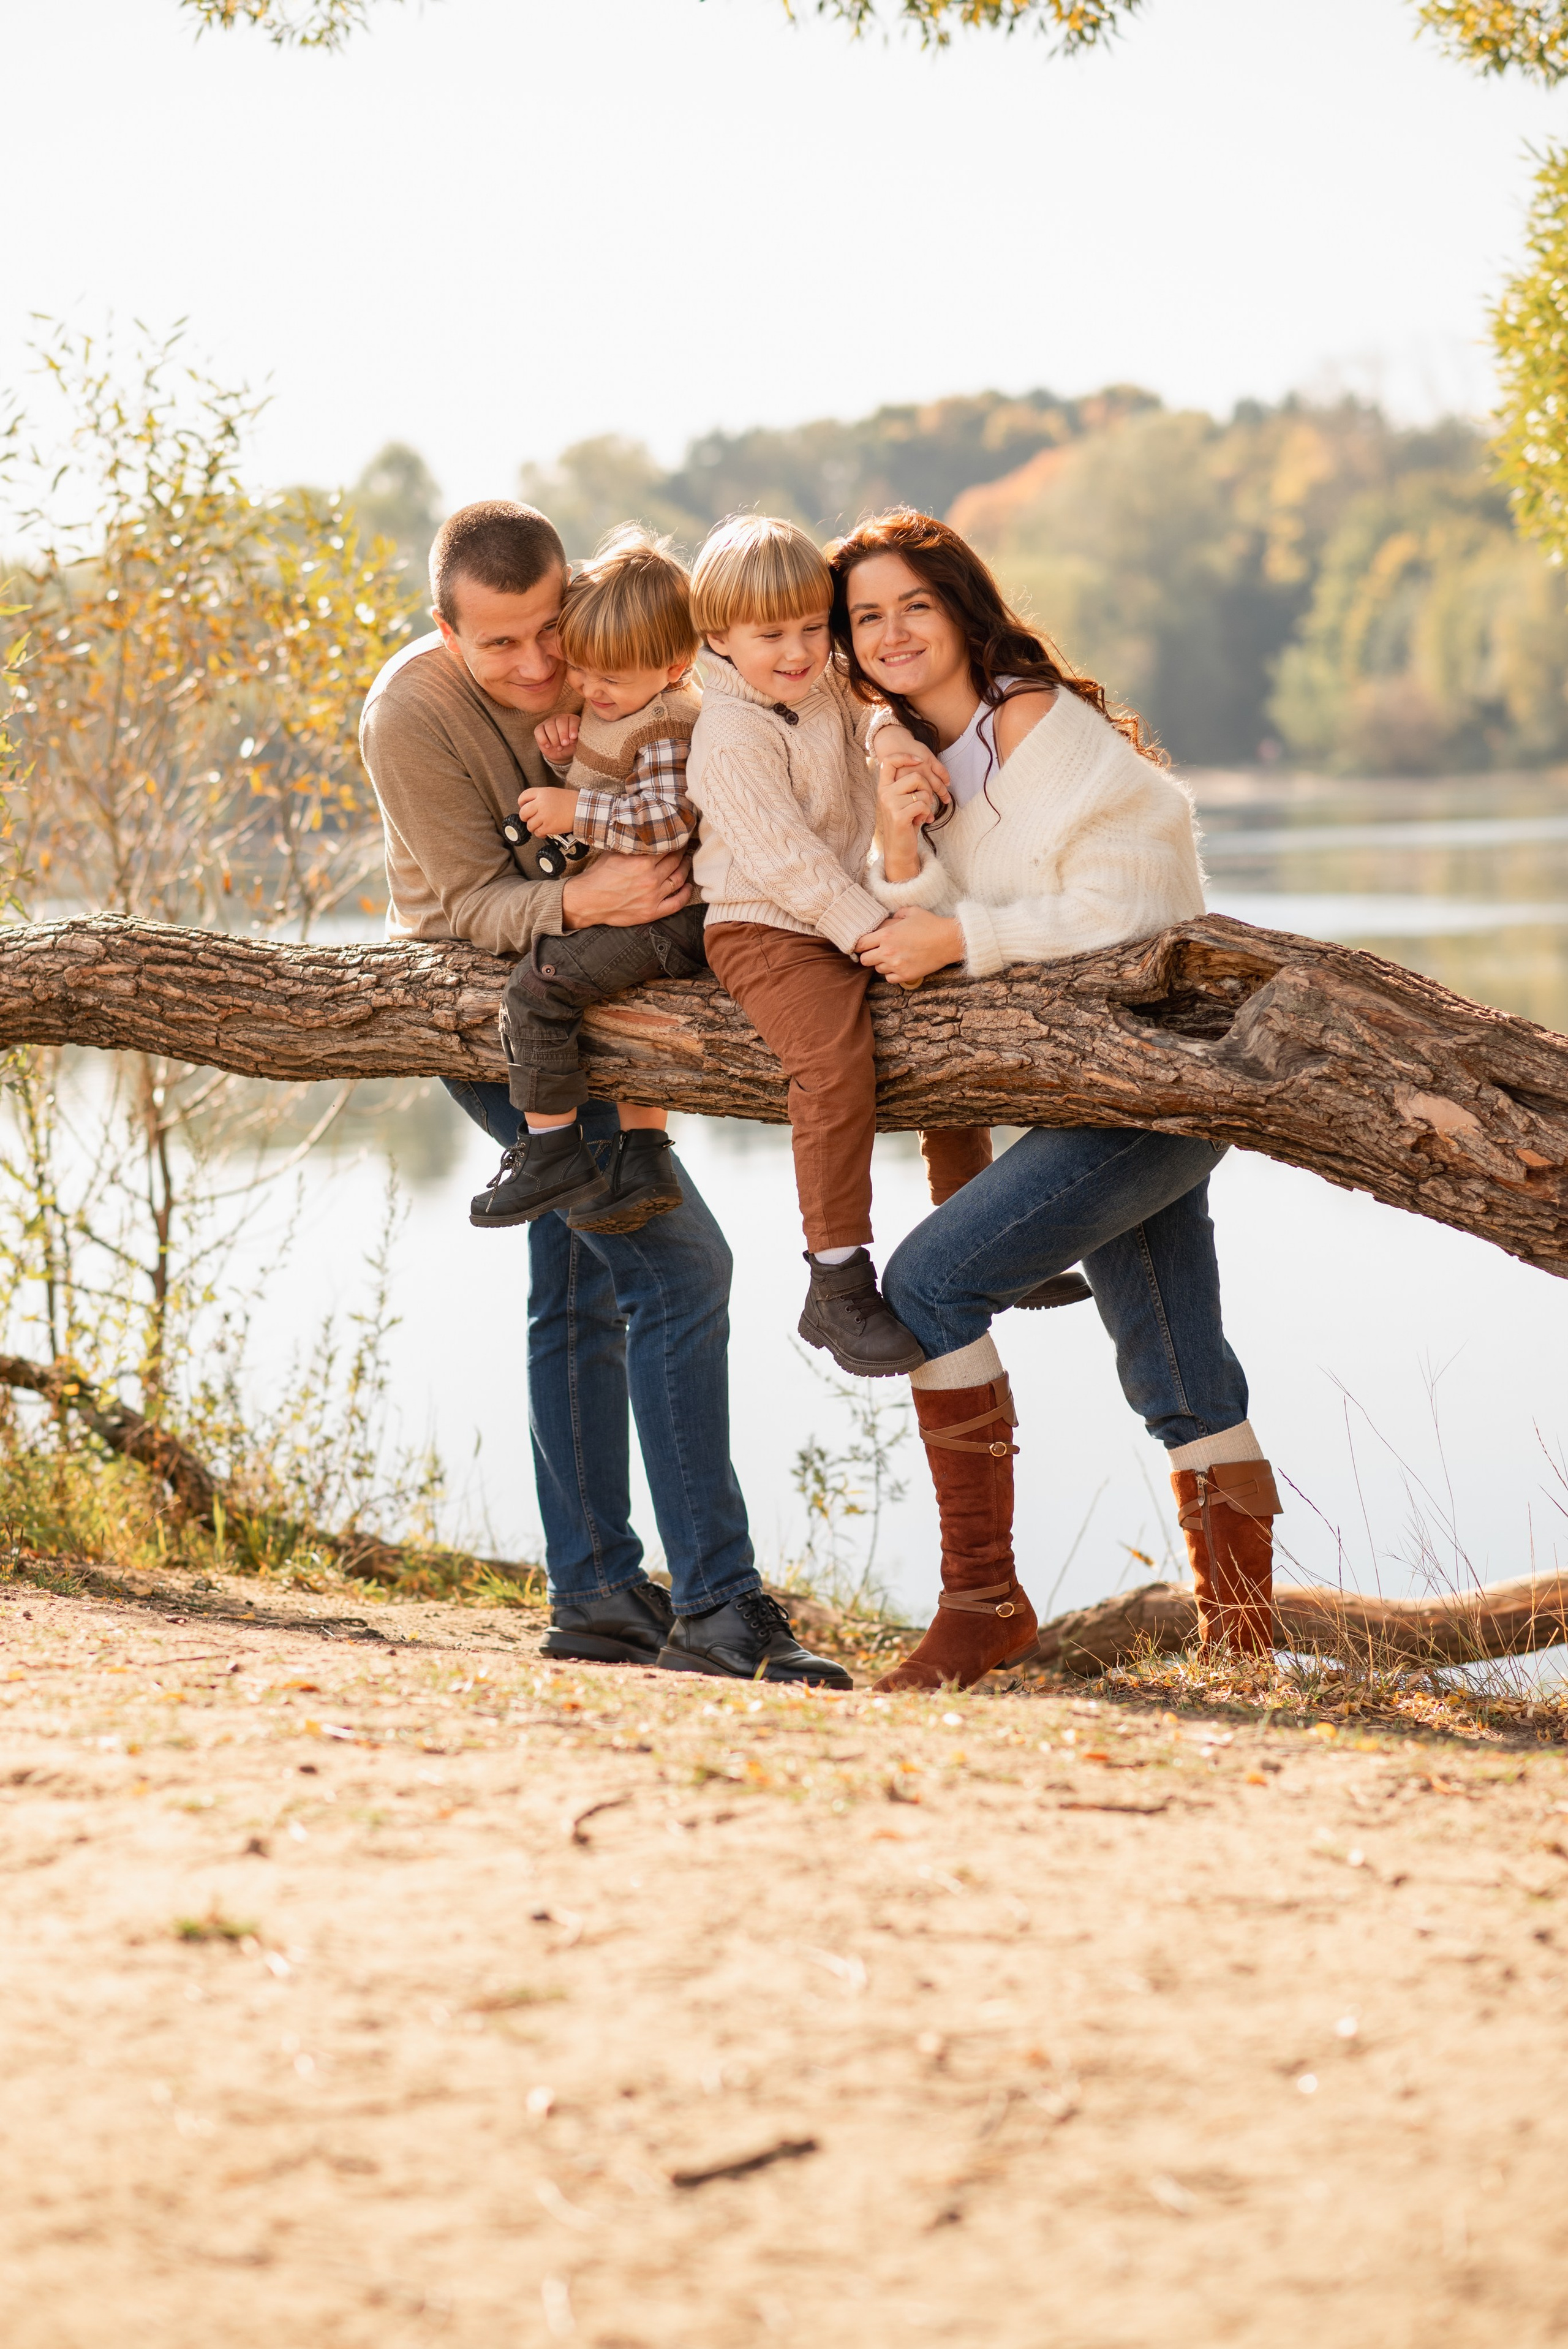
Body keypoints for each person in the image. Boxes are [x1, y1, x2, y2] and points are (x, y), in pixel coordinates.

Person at [359, 499, 848, 1687]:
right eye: (500, 647)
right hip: (492, 1021)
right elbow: (469, 907)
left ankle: (593, 1595)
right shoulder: (411, 714)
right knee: (681, 1268)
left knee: (578, 1281)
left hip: (613, 1017)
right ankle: (720, 1609)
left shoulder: (614, 663)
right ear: (445, 632)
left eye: (546, 631)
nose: (535, 667)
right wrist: (591, 900)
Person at [827, 508, 1282, 1692]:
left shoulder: (1033, 721)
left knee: (929, 1280)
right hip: (1093, 1084)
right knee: (1179, 1368)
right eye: (866, 617)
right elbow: (911, 916)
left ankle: (984, 1604)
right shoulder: (928, 748)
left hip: (1159, 1081)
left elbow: (1134, 901)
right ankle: (1242, 1654)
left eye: (913, 605)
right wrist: (895, 815)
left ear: (962, 608)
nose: (891, 631)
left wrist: (963, 935)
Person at [687, 513, 988, 1379]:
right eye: (771, 634)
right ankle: (836, 1276)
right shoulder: (730, 738)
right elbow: (787, 865)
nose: (799, 650)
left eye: (815, 628)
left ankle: (971, 1216)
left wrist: (890, 731)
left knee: (949, 1017)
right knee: (830, 1061)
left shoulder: (822, 686)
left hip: (843, 903)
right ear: (719, 637)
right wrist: (869, 929)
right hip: (763, 923)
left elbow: (864, 711)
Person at [472, 526, 707, 1238]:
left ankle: (551, 1150)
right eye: (583, 671)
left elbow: (664, 821)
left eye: (611, 677)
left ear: (673, 666)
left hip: (672, 913)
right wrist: (577, 755)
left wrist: (576, 806)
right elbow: (620, 776)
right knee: (621, 1010)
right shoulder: (627, 710)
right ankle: (643, 1159)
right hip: (650, 910)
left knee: (537, 988)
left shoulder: (666, 724)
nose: (590, 689)